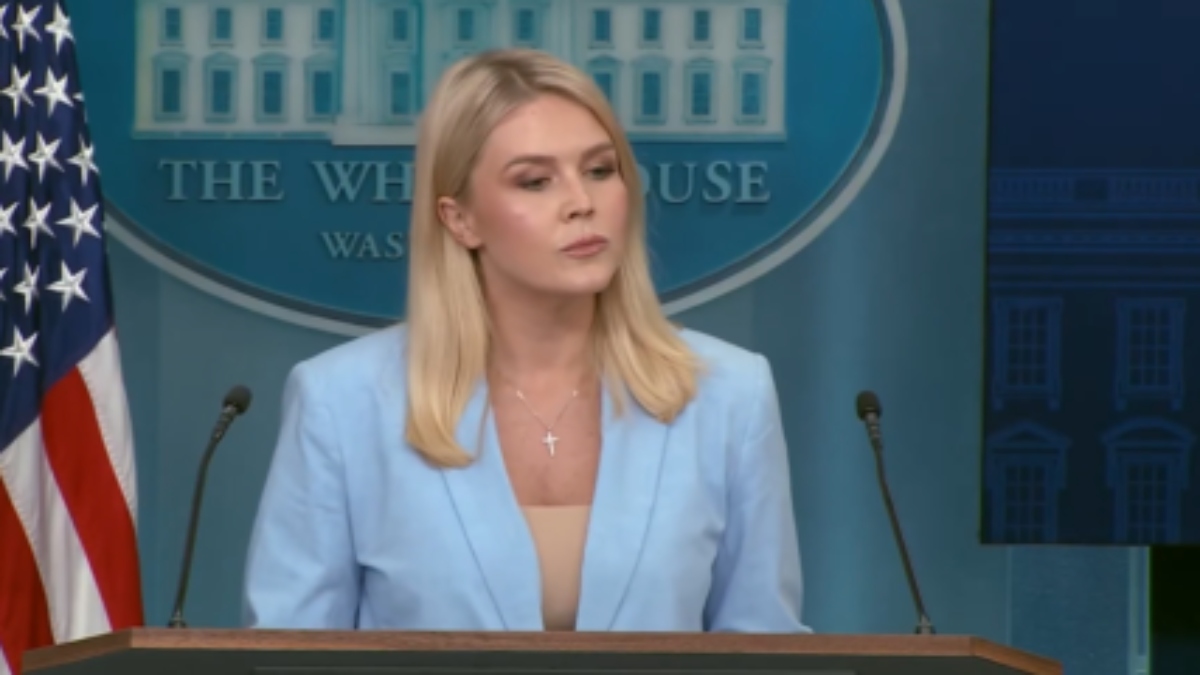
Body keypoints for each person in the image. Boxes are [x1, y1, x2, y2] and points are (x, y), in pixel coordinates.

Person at [242, 48, 810, 634]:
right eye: (536, 181)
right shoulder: (341, 402)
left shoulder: (730, 395)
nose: (582, 203)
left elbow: (764, 649)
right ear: (460, 219)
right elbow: (291, 651)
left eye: (600, 170)